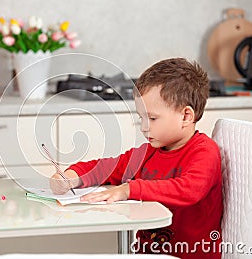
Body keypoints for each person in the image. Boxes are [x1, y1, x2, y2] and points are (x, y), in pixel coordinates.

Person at [50, 58, 223, 258]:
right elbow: (110, 167)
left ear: (186, 116)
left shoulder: (204, 151)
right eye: (141, 118)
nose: (144, 127)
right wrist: (74, 175)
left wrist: (129, 189)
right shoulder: (149, 151)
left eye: (152, 118)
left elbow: (189, 189)